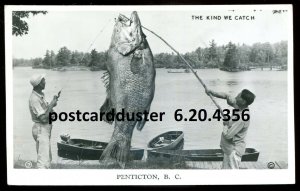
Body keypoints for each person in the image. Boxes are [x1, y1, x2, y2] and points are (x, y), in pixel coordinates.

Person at [206, 88, 255, 169]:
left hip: (233, 152)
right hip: (229, 150)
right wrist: (212, 93)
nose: (235, 97)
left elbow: (228, 135)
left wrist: (225, 124)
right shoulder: (240, 107)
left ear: (243, 101)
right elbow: (227, 96)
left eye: (238, 96)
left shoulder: (242, 118)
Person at [29, 74, 58, 169]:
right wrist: (51, 105)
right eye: (43, 81)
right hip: (41, 129)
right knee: (43, 162)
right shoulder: (34, 99)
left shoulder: (40, 95)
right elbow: (43, 119)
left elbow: (45, 112)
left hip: (44, 129)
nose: (45, 82)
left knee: (47, 159)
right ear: (38, 84)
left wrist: (52, 104)